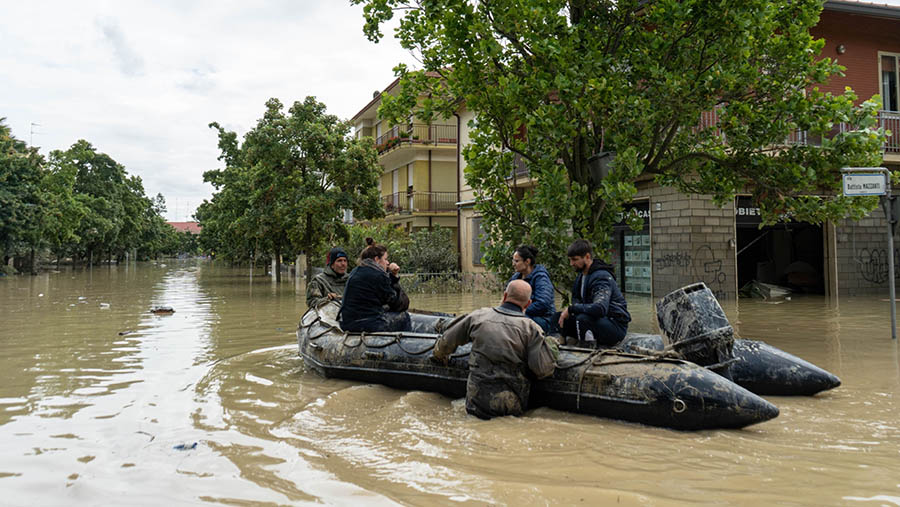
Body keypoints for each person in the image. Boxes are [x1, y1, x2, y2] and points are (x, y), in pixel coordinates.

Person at [432, 279, 559, 419]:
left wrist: (439, 356)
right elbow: (542, 370)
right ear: (528, 304)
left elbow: (446, 342)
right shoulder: (531, 329)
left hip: (477, 401)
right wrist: (552, 346)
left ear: (504, 296)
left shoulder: (478, 316)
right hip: (511, 403)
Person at [556, 239, 631, 347]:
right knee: (558, 317)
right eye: (570, 260)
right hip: (593, 320)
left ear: (587, 257)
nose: (571, 264)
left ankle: (587, 349)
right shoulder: (580, 277)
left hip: (614, 325)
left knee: (583, 319)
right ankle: (562, 343)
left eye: (574, 260)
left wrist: (572, 309)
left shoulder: (601, 277)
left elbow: (600, 308)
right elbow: (576, 300)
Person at [339, 239, 411, 332]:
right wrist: (393, 276)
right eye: (385, 259)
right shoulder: (378, 275)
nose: (388, 263)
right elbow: (399, 305)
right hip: (368, 324)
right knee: (404, 317)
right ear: (377, 259)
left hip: (347, 324)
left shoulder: (355, 271)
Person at [508, 245, 556, 333]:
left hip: (543, 319)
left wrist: (520, 311)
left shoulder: (541, 278)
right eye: (513, 260)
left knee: (517, 321)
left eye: (516, 261)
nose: (513, 264)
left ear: (527, 261)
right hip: (520, 315)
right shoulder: (515, 278)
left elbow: (543, 303)